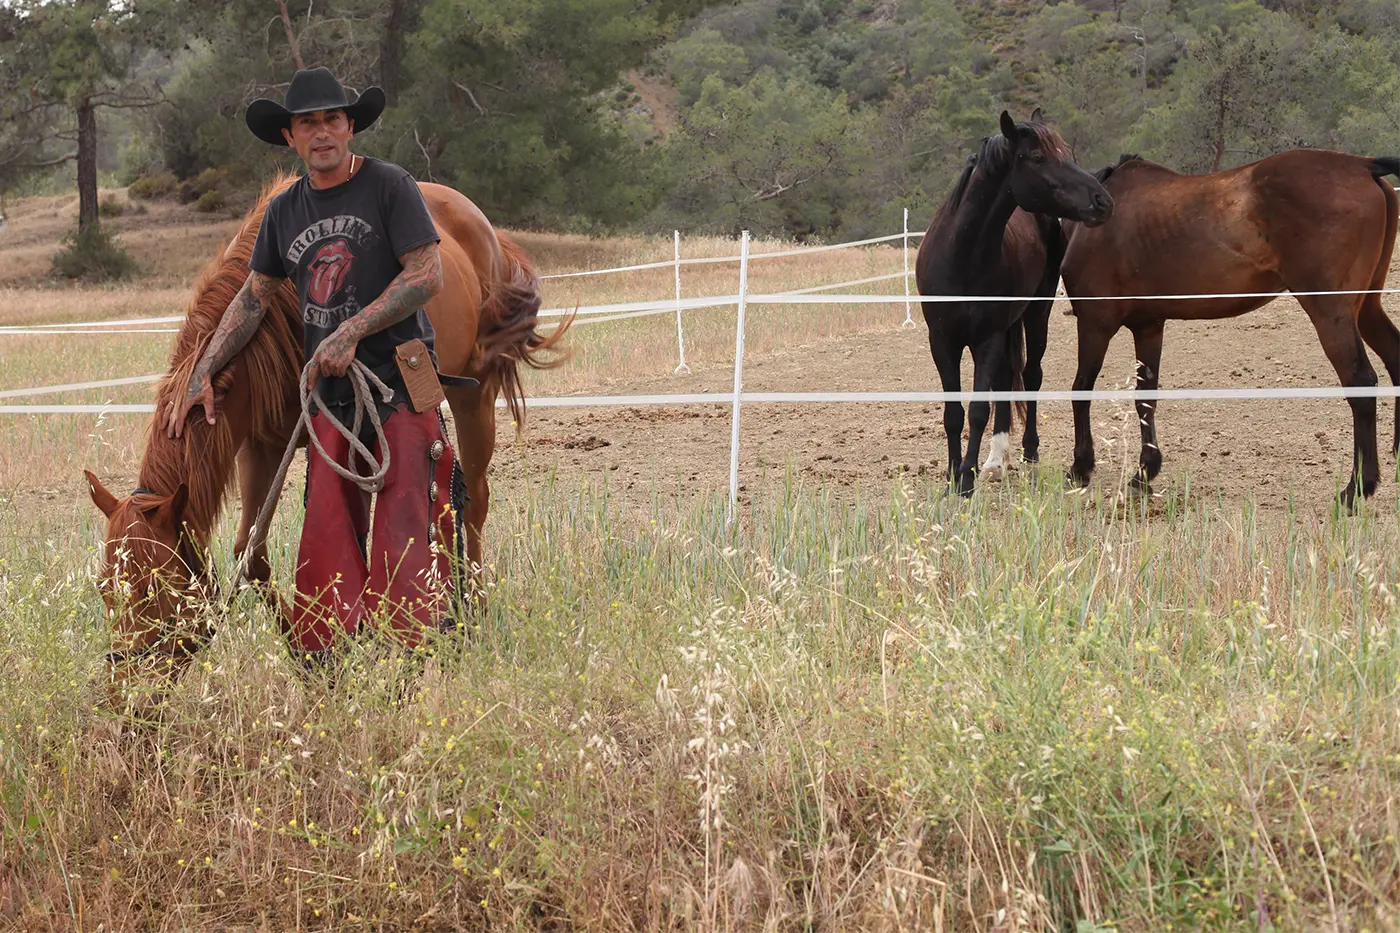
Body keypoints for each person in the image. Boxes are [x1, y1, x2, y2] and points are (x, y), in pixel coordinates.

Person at [167, 66, 455, 665]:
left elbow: (428, 274)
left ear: (350, 127)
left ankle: (415, 650)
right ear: (289, 139)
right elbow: (253, 298)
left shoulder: (389, 186)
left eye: (331, 119)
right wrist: (203, 368)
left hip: (399, 376)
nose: (321, 132)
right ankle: (330, 656)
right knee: (326, 521)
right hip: (329, 392)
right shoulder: (284, 212)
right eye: (307, 124)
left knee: (406, 510)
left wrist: (353, 328)